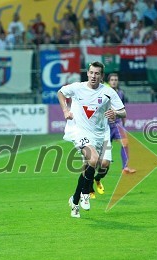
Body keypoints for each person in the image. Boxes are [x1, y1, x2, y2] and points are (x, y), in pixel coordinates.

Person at [57, 61, 126, 218]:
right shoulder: (77, 87)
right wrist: (65, 110)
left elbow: (123, 112)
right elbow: (60, 93)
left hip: (99, 134)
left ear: (102, 76)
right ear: (87, 73)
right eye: (91, 72)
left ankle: (75, 200)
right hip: (79, 131)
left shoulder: (108, 92)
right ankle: (86, 192)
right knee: (94, 160)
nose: (93, 76)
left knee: (90, 165)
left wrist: (115, 113)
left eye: (97, 73)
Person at [90, 73, 136, 199]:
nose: (114, 81)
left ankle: (125, 167)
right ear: (108, 81)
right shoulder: (104, 93)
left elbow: (122, 108)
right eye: (112, 80)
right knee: (101, 158)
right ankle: (94, 179)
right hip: (105, 126)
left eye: (116, 79)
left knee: (125, 143)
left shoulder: (120, 93)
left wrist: (123, 122)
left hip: (118, 124)